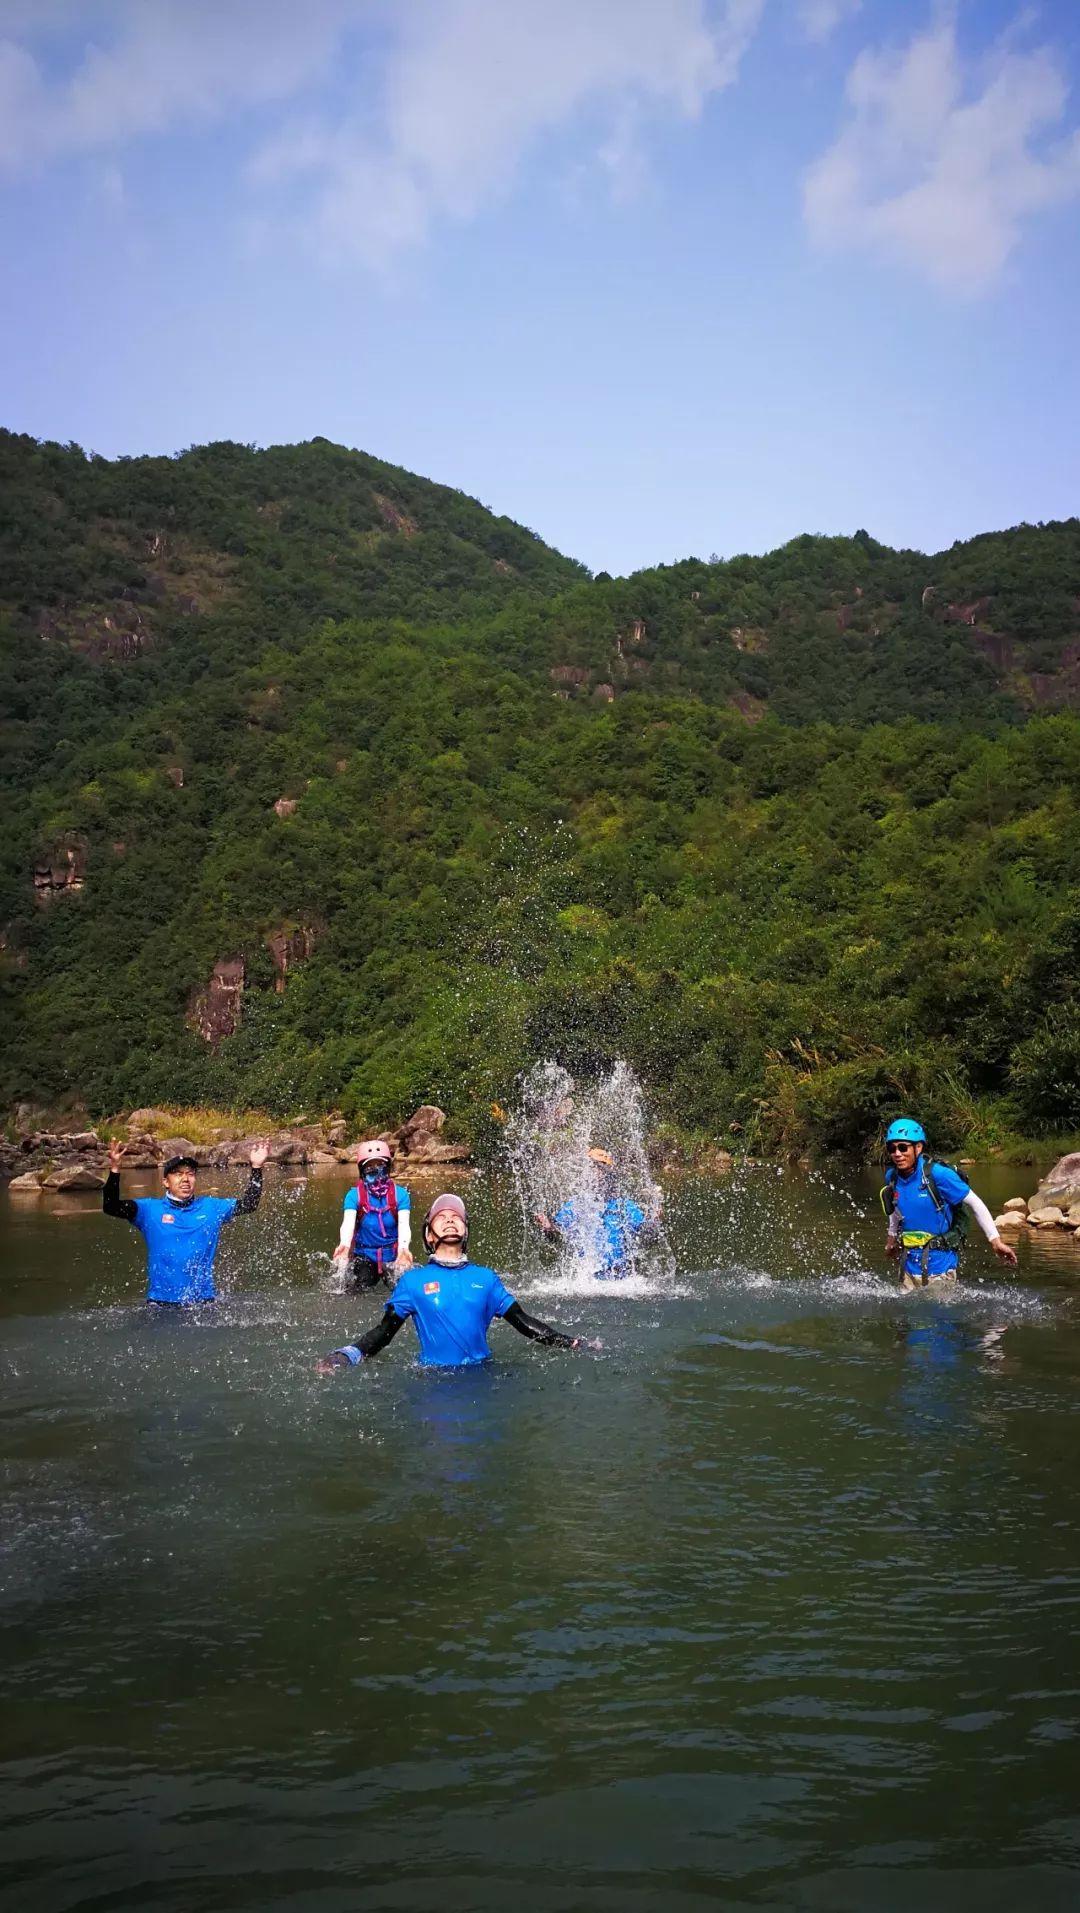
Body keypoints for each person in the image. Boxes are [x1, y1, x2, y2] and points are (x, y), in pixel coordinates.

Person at [316, 1192, 599, 1372]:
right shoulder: (413, 1281)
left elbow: (523, 1322)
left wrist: (572, 1342)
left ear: (465, 1232)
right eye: (442, 1218)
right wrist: (347, 1354)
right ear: (428, 1236)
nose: (451, 1220)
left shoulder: (486, 1278)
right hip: (434, 1379)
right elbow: (384, 1332)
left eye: (457, 1218)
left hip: (483, 1375)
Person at [103, 1137, 269, 1304]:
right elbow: (111, 1207)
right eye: (178, 1174)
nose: (185, 1179)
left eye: (190, 1174)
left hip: (203, 1304)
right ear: (166, 1182)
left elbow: (249, 1204)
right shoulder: (149, 1210)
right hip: (160, 1303)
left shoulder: (211, 1207)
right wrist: (115, 1169)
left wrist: (256, 1167)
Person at [880, 1118, 1017, 1291]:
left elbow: (976, 1204)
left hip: (940, 1266)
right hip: (907, 1265)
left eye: (903, 1147)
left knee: (939, 1316)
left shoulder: (938, 1175)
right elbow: (895, 1209)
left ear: (919, 1147)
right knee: (909, 1317)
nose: (897, 1153)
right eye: (892, 1148)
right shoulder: (892, 1177)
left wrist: (995, 1241)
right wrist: (891, 1240)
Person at [533, 1147, 655, 1279]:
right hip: (588, 1279)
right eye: (591, 1168)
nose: (595, 1173)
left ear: (609, 1174)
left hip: (620, 1279)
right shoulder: (576, 1205)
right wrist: (547, 1228)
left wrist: (655, 1223)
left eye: (600, 1168)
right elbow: (556, 1238)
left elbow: (646, 1237)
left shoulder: (625, 1206)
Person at [332, 1139, 412, 1291]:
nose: (375, 1170)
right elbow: (348, 1224)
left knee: (403, 1292)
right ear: (362, 1170)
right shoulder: (354, 1196)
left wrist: (403, 1250)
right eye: (369, 1166)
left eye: (380, 1165)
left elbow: (404, 1225)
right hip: (365, 1256)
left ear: (387, 1167)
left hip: (392, 1256)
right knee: (357, 1289)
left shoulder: (400, 1195)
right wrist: (344, 1245)